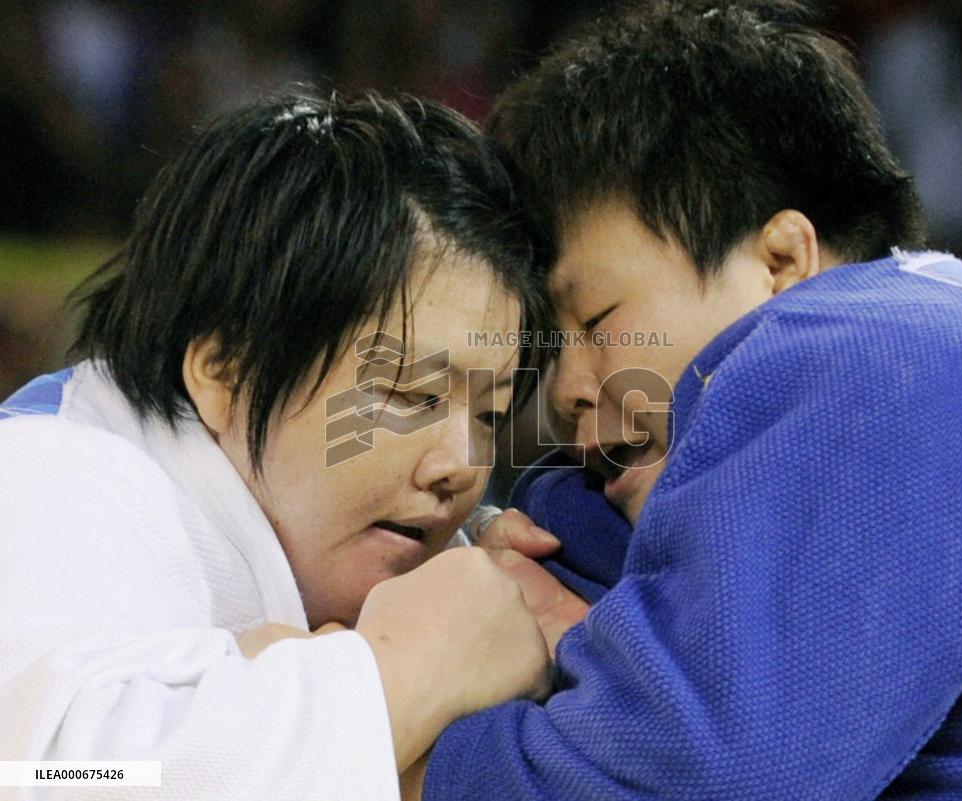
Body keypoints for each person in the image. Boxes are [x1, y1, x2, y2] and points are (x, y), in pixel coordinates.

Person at [407, 2, 962, 799]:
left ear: (782, 260)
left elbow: (709, 773)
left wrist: (409, 760)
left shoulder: (884, 345)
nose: (567, 390)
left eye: (597, 320)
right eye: (548, 348)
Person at [0, 91, 562, 799]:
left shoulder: (443, 561)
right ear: (225, 368)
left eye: (490, 415)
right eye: (409, 394)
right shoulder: (45, 477)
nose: (461, 465)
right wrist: (404, 673)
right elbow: (48, 776)